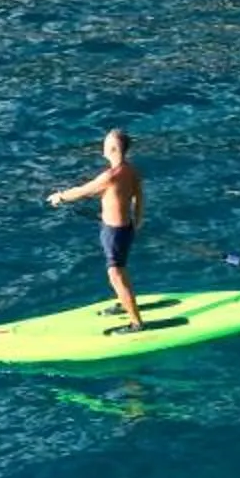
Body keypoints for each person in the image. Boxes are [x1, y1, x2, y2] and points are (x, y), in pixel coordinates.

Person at [48, 127, 146, 332]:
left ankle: (137, 323)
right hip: (125, 229)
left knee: (115, 274)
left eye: (105, 143)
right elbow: (139, 196)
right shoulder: (131, 170)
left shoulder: (110, 177)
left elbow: (83, 191)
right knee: (119, 269)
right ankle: (123, 303)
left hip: (115, 233)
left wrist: (61, 197)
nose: (102, 146)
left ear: (112, 149)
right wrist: (137, 219)